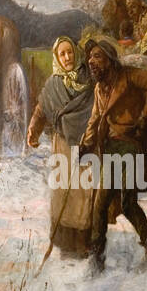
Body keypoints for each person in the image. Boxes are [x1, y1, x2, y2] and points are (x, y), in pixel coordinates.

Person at [80, 38, 147, 272]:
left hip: (133, 145)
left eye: (97, 56)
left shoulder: (129, 76)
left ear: (109, 59)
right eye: (90, 58)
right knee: (100, 202)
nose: (92, 61)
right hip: (111, 148)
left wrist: (146, 117)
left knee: (128, 203)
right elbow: (95, 118)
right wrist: (85, 144)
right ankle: (96, 257)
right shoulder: (99, 88)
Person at [26, 35, 95, 257]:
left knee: (84, 192)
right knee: (64, 190)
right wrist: (33, 130)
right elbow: (41, 108)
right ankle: (65, 242)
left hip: (86, 144)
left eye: (70, 52)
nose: (67, 57)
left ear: (76, 53)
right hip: (63, 144)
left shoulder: (89, 78)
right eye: (62, 53)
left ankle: (85, 242)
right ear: (57, 56)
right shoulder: (53, 85)